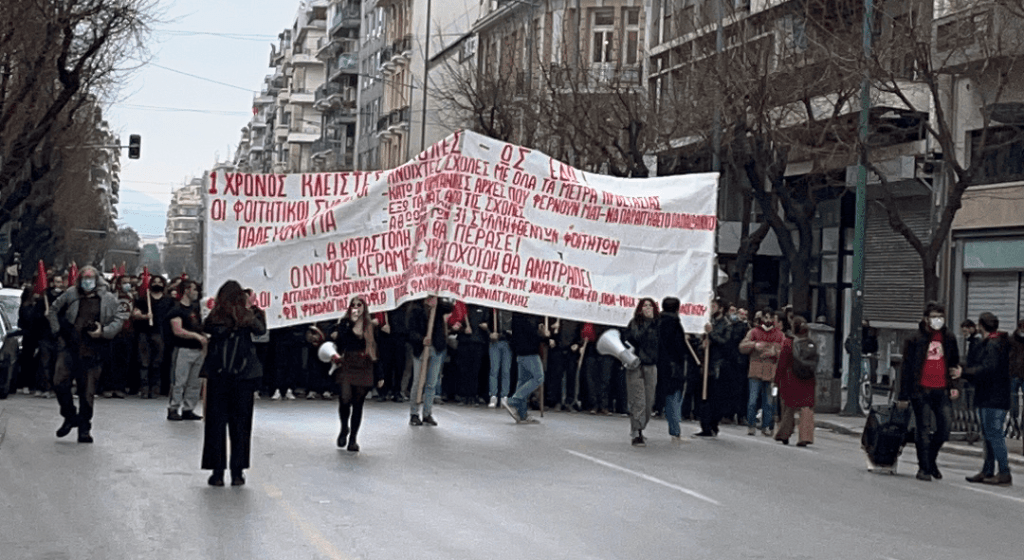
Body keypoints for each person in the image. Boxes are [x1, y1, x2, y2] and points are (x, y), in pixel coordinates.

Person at [45, 266, 128, 443]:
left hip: (93, 351)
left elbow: (119, 319)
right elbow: (52, 310)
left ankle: (84, 428)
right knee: (59, 382)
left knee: (87, 392)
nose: (87, 281)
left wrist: (104, 332)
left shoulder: (108, 299)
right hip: (69, 347)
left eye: (91, 278)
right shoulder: (71, 294)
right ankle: (69, 415)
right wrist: (58, 331)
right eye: (84, 278)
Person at [201, 281, 266, 486]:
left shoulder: (217, 315)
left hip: (219, 374)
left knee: (216, 424)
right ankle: (237, 471)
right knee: (241, 425)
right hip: (243, 375)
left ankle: (217, 471)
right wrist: (249, 311)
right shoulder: (247, 315)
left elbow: (207, 327)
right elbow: (260, 330)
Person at [897, 301, 961, 482]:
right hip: (921, 389)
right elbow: (907, 368)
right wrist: (903, 395)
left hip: (942, 389)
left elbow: (954, 364)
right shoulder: (915, 339)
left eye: (940, 317)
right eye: (933, 317)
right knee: (923, 428)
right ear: (926, 319)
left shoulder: (949, 338)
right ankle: (924, 467)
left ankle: (930, 459)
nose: (937, 320)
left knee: (945, 427)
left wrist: (954, 386)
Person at [961, 312, 1012, 486]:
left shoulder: (993, 345)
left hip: (993, 396)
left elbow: (988, 369)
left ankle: (1004, 471)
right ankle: (988, 469)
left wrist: (966, 372)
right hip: (989, 395)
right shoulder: (994, 343)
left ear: (981, 325)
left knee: (994, 434)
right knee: (988, 435)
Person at [326, 296, 380, 451]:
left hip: (365, 365)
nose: (356, 307)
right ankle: (344, 427)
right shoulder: (344, 324)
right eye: (353, 305)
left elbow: (376, 350)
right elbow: (340, 343)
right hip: (348, 363)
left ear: (364, 308)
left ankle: (353, 439)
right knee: (344, 399)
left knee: (358, 403)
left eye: (359, 305)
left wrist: (380, 374)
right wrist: (349, 325)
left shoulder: (370, 326)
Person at [739, 307, 784, 437]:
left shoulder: (779, 335)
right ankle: (751, 425)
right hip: (755, 370)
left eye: (770, 318)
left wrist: (774, 352)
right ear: (762, 318)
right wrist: (754, 345)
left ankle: (766, 426)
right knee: (752, 400)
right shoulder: (753, 332)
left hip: (771, 373)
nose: (768, 320)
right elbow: (742, 347)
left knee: (769, 402)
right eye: (766, 317)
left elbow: (786, 352)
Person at [166, 279, 206, 421]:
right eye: (194, 289)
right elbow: (177, 330)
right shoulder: (176, 309)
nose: (196, 293)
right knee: (179, 381)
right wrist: (195, 335)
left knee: (195, 382)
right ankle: (173, 407)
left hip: (198, 350)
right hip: (183, 349)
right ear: (187, 290)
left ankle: (189, 408)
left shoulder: (196, 309)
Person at [407, 296, 450, 426]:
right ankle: (414, 413)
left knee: (432, 383)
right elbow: (410, 331)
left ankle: (427, 413)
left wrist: (438, 301)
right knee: (418, 382)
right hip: (421, 350)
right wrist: (421, 339)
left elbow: (450, 307)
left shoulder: (438, 307)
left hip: (436, 348)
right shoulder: (415, 308)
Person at [774, 317, 815, 446]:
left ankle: (784, 433)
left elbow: (782, 363)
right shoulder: (810, 343)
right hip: (808, 380)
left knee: (788, 407)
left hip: (790, 379)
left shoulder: (788, 342)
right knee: (806, 408)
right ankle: (805, 436)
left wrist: (777, 379)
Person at [657, 297, 693, 444]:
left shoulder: (658, 322)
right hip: (673, 364)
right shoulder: (674, 323)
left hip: (661, 363)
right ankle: (675, 431)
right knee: (674, 396)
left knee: (666, 396)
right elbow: (677, 346)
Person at [503, 312, 549, 424]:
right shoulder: (529, 317)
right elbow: (532, 335)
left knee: (522, 382)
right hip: (530, 352)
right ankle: (513, 400)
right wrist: (545, 336)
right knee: (538, 377)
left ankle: (522, 414)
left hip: (520, 353)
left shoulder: (517, 315)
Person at [625, 298, 659, 446]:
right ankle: (637, 432)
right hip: (636, 364)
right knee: (638, 399)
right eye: (645, 305)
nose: (648, 308)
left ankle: (640, 426)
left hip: (651, 365)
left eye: (650, 305)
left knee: (649, 400)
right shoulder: (635, 323)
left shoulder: (658, 325)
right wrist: (647, 323)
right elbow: (637, 337)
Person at [133, 274, 171, 399]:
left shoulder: (168, 300)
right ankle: (144, 389)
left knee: (157, 363)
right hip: (144, 333)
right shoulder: (144, 299)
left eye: (160, 282)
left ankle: (155, 389)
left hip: (160, 334)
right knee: (144, 362)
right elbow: (135, 313)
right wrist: (144, 316)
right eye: (155, 281)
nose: (158, 284)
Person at [697, 298, 731, 437]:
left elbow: (725, 342)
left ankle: (713, 425)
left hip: (718, 364)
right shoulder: (707, 322)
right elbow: (701, 342)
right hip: (705, 363)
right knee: (703, 395)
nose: (711, 308)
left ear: (721, 308)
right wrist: (702, 345)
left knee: (715, 397)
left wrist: (712, 334)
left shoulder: (727, 324)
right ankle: (705, 426)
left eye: (714, 305)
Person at [482, 307, 512, 408]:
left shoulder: (511, 311)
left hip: (508, 342)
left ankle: (504, 396)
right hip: (495, 342)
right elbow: (485, 323)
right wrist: (490, 333)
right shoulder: (493, 310)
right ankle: (493, 396)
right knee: (494, 370)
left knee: (506, 371)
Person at [1008, 319, 1024, 427]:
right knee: (1013, 398)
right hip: (1014, 373)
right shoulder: (1011, 340)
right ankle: (1014, 421)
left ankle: (1022, 424)